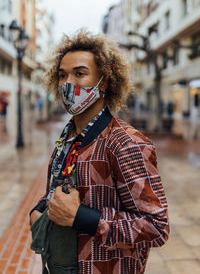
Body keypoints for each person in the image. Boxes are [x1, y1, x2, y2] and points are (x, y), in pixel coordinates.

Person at [30, 31, 169, 274]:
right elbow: (61, 191)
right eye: (62, 75)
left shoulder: (127, 143)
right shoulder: (69, 137)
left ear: (103, 81)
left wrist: (82, 217)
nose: (67, 83)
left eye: (80, 73)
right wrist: (39, 209)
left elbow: (156, 226)